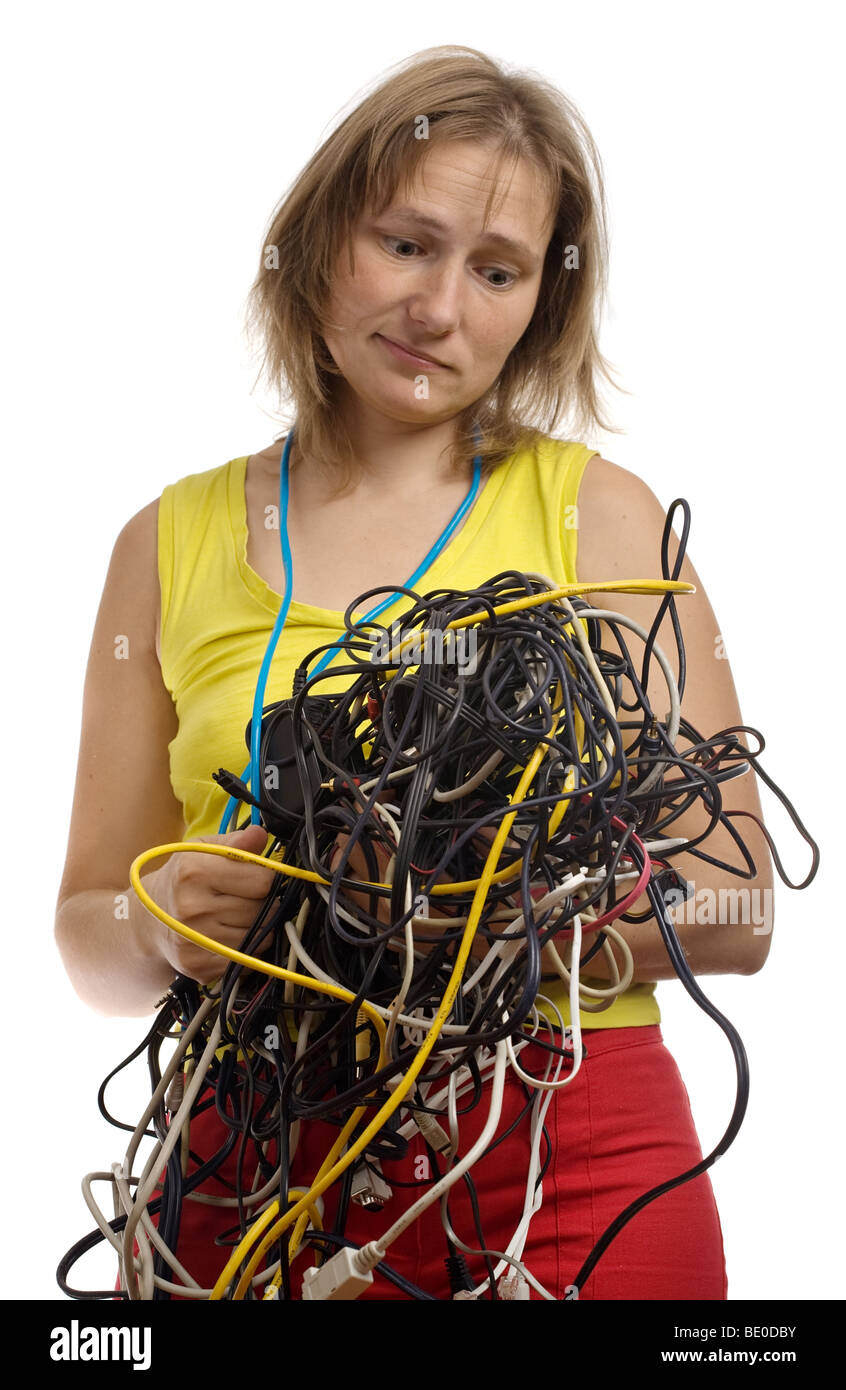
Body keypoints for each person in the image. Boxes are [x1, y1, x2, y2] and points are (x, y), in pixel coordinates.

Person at [54, 45, 774, 1300]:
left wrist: (476, 919)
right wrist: (164, 916)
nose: (438, 308)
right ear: (323, 237)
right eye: (405, 243)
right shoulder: (162, 543)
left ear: (535, 306)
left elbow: (739, 907)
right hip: (250, 1165)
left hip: (566, 1157)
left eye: (494, 271)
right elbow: (89, 935)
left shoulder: (596, 520)